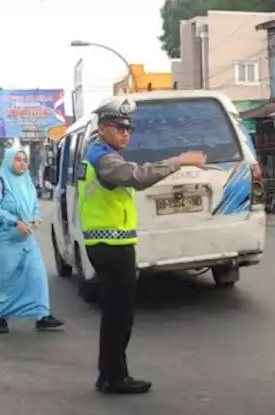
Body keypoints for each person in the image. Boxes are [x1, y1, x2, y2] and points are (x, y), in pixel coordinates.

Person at [79, 97, 208, 394]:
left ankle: (109, 373)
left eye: (129, 129)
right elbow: (137, 177)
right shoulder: (104, 158)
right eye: (119, 128)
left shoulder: (99, 152)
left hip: (108, 242)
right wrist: (179, 161)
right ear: (102, 128)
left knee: (116, 312)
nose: (126, 133)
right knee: (119, 314)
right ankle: (114, 377)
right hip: (110, 245)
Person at [0, 147, 65, 334]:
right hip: (3, 240)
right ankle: (0, 318)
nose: (22, 163)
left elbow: (34, 205)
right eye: (17, 159)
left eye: (24, 160)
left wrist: (35, 217)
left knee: (36, 275)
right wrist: (14, 222)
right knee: (2, 281)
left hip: (25, 239)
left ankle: (42, 315)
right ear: (8, 161)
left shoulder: (27, 181)